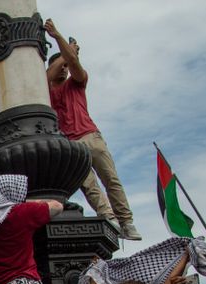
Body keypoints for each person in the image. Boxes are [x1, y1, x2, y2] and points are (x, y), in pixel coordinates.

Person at [44, 19, 139, 240]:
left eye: (67, 65)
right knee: (89, 186)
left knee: (110, 179)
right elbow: (47, 75)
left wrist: (64, 46)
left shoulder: (76, 82)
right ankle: (109, 216)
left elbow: (75, 64)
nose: (66, 69)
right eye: (62, 65)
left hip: (89, 135)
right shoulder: (45, 88)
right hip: (71, 143)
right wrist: (65, 49)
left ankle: (126, 221)